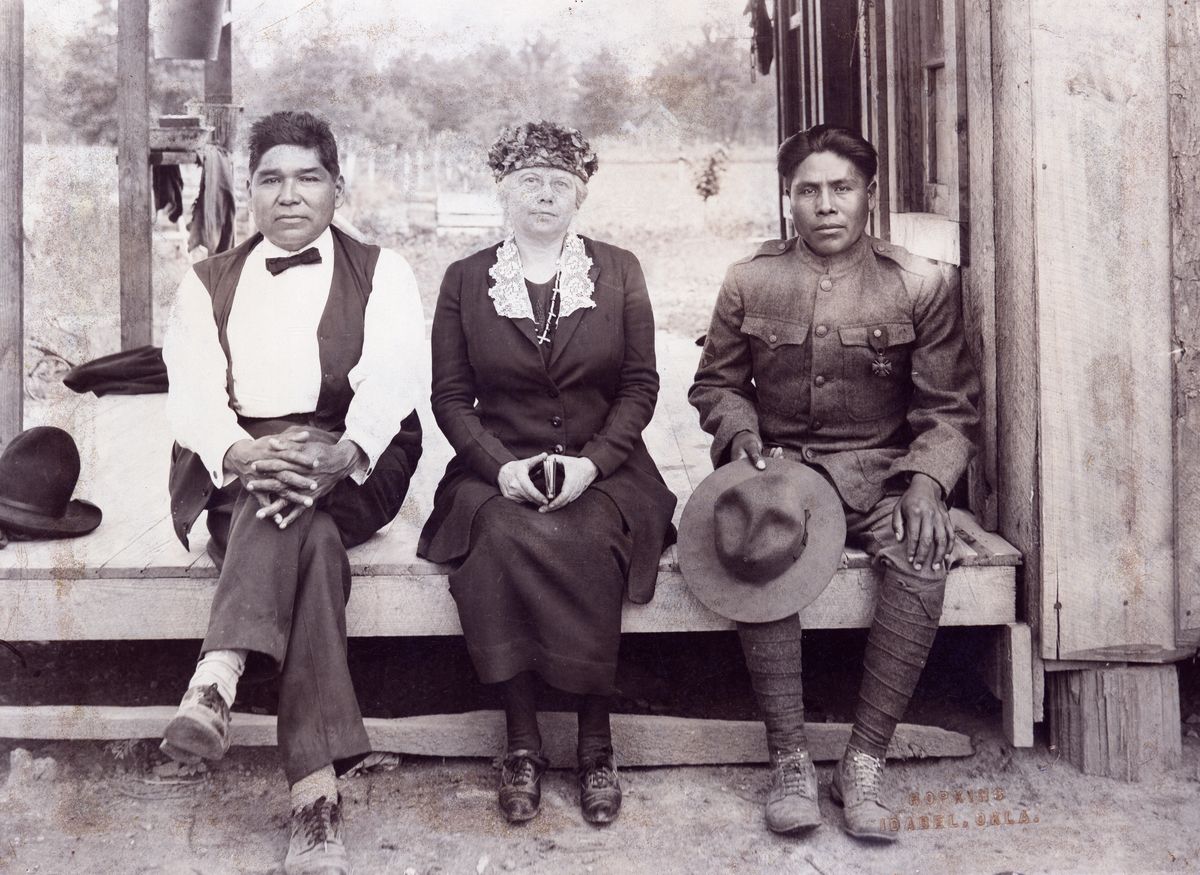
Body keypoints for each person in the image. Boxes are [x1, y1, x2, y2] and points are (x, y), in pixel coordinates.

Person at [688, 124, 980, 841]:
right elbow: (715, 385)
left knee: (922, 552)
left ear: (869, 196)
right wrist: (741, 432)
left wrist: (926, 484)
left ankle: (864, 761)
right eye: (808, 190)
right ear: (788, 199)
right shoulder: (750, 278)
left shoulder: (920, 281)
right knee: (755, 544)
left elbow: (948, 408)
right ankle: (789, 758)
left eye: (841, 189)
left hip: (883, 473)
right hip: (780, 472)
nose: (825, 205)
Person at [161, 110, 425, 874]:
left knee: (300, 503)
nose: (289, 195)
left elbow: (394, 380)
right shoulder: (207, 280)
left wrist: (336, 454)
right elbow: (195, 399)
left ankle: (217, 677)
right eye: (271, 178)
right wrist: (246, 453)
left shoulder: (384, 270)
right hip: (238, 459)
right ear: (249, 191)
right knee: (306, 536)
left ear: (337, 188)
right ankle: (315, 795)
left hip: (354, 452)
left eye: (308, 177)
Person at [418, 121, 676, 826]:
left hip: (606, 465)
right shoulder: (466, 279)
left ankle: (596, 740)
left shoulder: (618, 270)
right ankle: (523, 741)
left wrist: (592, 464)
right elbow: (450, 398)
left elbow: (640, 386)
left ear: (580, 196)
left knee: (591, 533)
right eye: (529, 180)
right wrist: (501, 469)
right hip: (495, 466)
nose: (544, 195)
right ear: (504, 191)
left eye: (560, 183)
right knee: (499, 534)